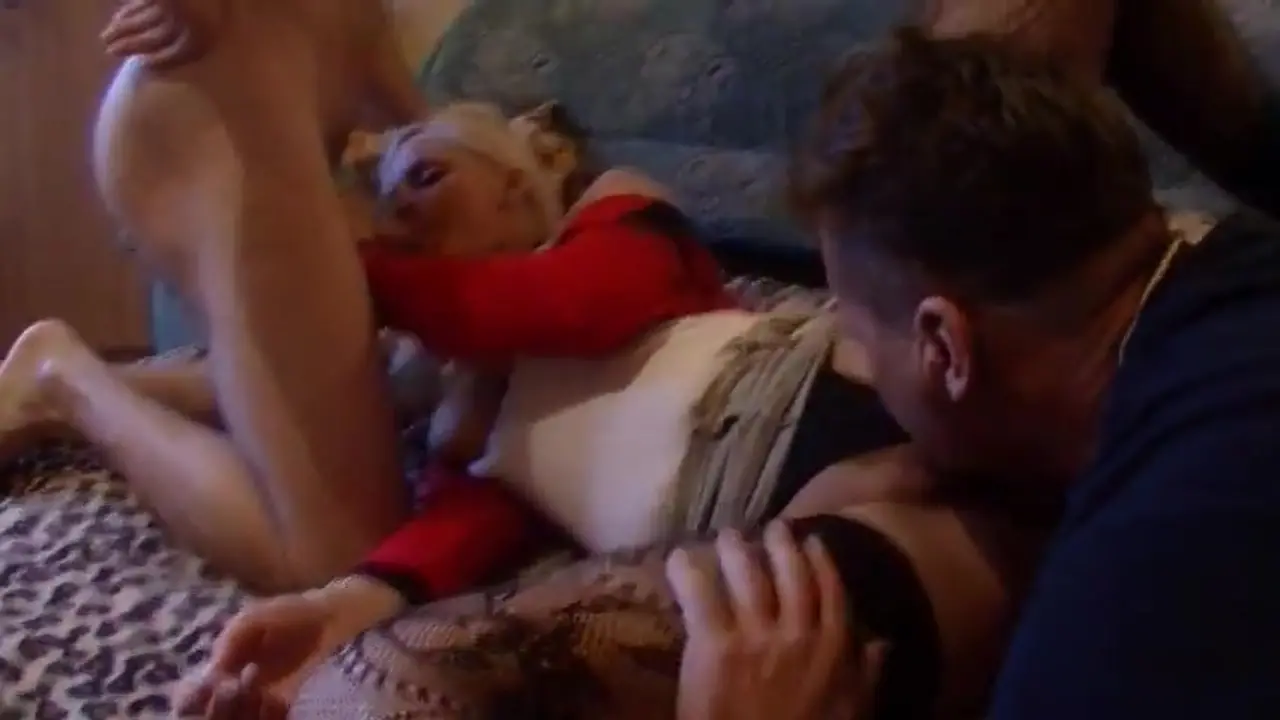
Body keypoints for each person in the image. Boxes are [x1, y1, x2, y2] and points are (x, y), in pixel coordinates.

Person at [717, 26, 1280, 718]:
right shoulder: (1250, 260)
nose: (857, 364)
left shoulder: (1113, 627)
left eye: (857, 337)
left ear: (944, 348)